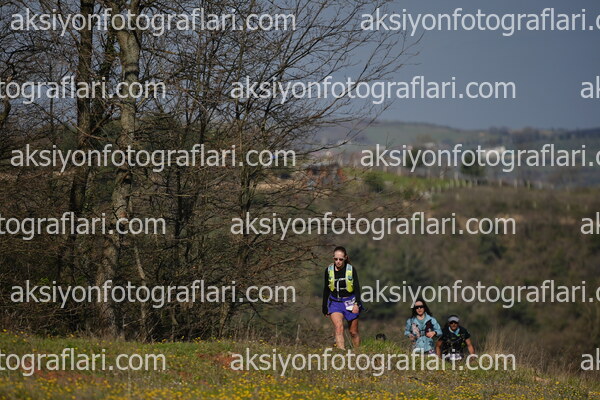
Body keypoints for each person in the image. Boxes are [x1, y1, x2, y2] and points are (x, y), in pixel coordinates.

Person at [322, 246, 362, 350]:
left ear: (345, 258)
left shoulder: (351, 270)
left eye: (340, 259)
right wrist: (324, 306)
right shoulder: (328, 270)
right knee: (339, 328)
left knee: (353, 332)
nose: (338, 261)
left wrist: (357, 304)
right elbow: (326, 288)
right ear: (333, 258)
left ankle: (357, 353)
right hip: (335, 303)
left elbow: (357, 288)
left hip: (350, 302)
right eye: (336, 259)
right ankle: (342, 354)